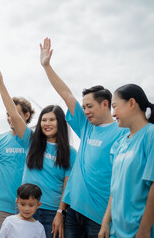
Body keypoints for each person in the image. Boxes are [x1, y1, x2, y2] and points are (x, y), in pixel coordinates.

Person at [39, 37, 128, 237]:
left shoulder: (122, 132)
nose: (85, 111)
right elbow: (66, 95)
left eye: (90, 106)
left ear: (105, 104)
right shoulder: (86, 127)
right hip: (73, 211)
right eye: (84, 107)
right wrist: (46, 66)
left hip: (100, 216)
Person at [0, 61, 77, 238]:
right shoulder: (31, 141)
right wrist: (1, 85)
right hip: (25, 208)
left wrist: (60, 213)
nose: (47, 123)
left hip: (52, 213)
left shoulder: (70, 152)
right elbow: (14, 115)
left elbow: (67, 186)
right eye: (44, 120)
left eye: (52, 120)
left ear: (60, 123)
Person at [98, 84, 154, 238]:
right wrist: (105, 223)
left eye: (115, 107)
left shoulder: (150, 135)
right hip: (116, 231)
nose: (113, 113)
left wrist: (144, 230)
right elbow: (115, 188)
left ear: (131, 103)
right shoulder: (119, 144)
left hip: (140, 231)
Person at [0, 97, 34, 238]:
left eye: (14, 114)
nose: (10, 118)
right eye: (8, 114)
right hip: (2, 207)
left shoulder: (34, 140)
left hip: (29, 207)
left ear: (27, 115)